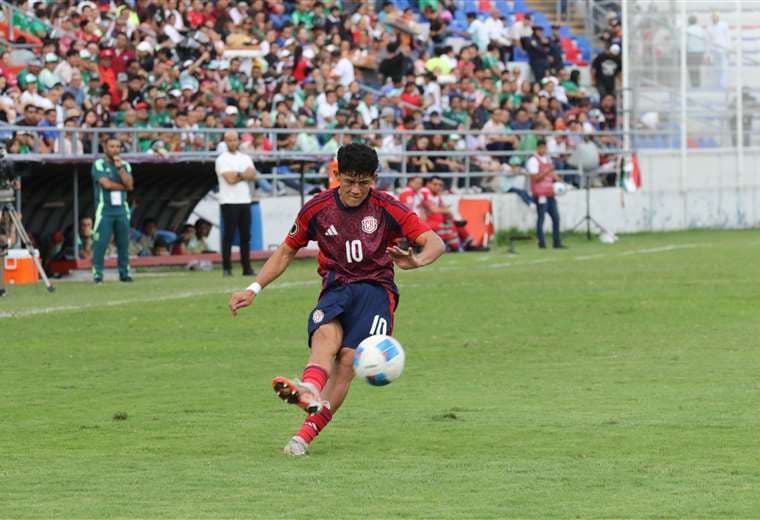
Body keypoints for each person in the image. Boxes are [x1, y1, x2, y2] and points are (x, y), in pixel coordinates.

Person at [227, 143, 445, 457]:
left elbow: (434, 242)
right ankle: (311, 389)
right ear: (336, 174)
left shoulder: (387, 207)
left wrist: (417, 260)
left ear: (374, 178)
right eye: (349, 181)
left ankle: (303, 437)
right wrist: (254, 288)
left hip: (375, 291)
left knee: (347, 361)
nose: (356, 190)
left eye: (364, 182)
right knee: (325, 334)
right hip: (336, 286)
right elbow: (287, 250)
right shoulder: (318, 208)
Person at [91, 136, 134, 283]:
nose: (116, 149)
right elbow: (106, 184)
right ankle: (98, 273)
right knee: (101, 243)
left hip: (122, 210)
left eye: (118, 146)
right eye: (112, 146)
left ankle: (124, 273)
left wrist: (120, 168)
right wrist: (124, 187)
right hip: (105, 210)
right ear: (105, 148)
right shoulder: (99, 164)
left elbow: (130, 184)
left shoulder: (125, 165)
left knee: (123, 243)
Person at [216, 130, 257, 277]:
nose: (232, 142)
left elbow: (253, 175)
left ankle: (247, 267)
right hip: (229, 201)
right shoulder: (222, 159)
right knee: (229, 235)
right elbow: (229, 179)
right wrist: (243, 174)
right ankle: (227, 267)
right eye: (229, 140)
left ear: (238, 141)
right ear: (225, 142)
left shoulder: (245, 157)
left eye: (234, 140)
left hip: (244, 200)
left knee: (246, 236)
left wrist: (238, 174)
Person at [527, 139, 564, 249]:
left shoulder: (548, 159)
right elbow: (535, 178)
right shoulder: (533, 161)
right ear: (538, 148)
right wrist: (547, 172)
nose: (544, 150)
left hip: (550, 193)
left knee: (556, 218)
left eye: (545, 148)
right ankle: (541, 243)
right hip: (540, 194)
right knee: (541, 218)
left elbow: (552, 173)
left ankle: (556, 242)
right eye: (542, 148)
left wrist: (559, 180)